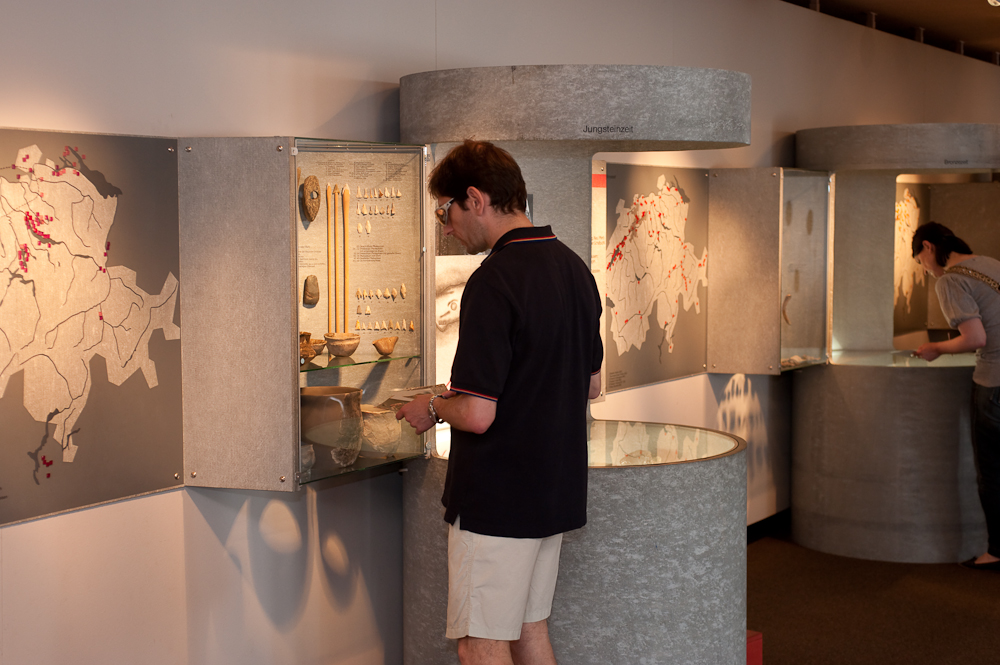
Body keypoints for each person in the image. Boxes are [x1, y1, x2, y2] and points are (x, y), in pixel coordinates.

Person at [396, 140, 603, 664]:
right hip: (552, 490)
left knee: (479, 645)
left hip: (497, 501)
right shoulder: (574, 267)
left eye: (445, 211)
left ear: (475, 198)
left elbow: (479, 413)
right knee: (529, 629)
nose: (445, 226)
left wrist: (434, 406)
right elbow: (592, 384)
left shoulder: (493, 281)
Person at [912, 222, 1000, 571]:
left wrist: (936, 347)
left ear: (929, 248)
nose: (923, 267)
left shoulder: (950, 280)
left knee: (993, 473)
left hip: (994, 384)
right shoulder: (990, 263)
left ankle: (996, 552)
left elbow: (975, 337)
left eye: (919, 259)